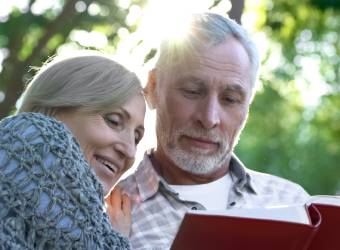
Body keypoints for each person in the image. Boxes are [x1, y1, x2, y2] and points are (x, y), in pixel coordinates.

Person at [120, 12, 310, 249]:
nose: (209, 119)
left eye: (230, 99)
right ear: (154, 87)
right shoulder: (107, 213)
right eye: (191, 91)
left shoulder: (294, 203)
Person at [0, 52, 146, 249]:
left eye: (137, 138)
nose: (130, 151)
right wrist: (115, 239)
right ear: (55, 109)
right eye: (113, 121)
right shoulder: (33, 133)